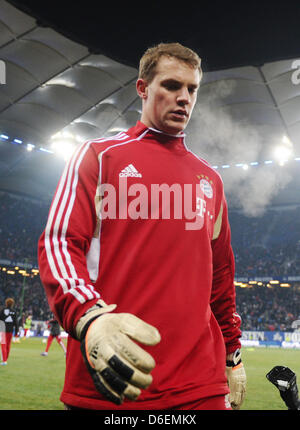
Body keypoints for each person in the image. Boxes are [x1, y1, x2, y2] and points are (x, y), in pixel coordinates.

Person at [38, 42, 246, 410]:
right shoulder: (99, 158)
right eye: (171, 85)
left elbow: (221, 279)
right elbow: (59, 244)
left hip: (200, 385)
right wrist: (88, 316)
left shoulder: (210, 180)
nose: (184, 98)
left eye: (192, 89)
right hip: (114, 377)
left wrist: (232, 353)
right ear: (143, 88)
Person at [0, 298, 19, 365]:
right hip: (10, 331)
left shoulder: (2, 310)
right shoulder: (14, 311)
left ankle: (4, 360)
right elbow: (16, 322)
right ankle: (6, 359)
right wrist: (16, 331)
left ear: (6, 303)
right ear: (12, 304)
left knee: (3, 345)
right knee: (8, 345)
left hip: (2, 330)